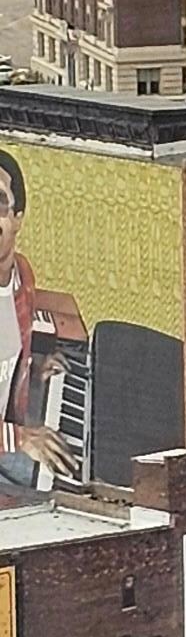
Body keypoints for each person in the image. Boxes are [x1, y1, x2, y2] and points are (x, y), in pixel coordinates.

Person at [0, 147, 89, 492]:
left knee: (78, 462)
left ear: (19, 217)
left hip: (13, 425)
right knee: (56, 486)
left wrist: (34, 367)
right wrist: (18, 439)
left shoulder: (21, 275)